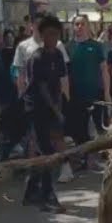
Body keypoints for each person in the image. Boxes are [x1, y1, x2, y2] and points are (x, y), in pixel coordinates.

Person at [23, 15, 71, 211]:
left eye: (56, 34)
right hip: (36, 108)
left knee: (46, 150)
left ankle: (31, 192)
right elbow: (41, 87)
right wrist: (55, 110)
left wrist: (60, 107)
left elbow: (59, 83)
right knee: (47, 152)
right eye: (48, 34)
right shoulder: (37, 57)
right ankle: (47, 197)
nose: (52, 37)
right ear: (42, 35)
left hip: (52, 107)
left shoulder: (58, 55)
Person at [65, 15, 111, 171]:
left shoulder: (96, 46)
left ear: (87, 26)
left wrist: (107, 92)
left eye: (82, 24)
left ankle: (97, 158)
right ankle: (82, 160)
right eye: (76, 24)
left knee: (100, 127)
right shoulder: (67, 47)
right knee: (79, 129)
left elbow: (104, 70)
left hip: (96, 93)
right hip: (76, 95)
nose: (79, 27)